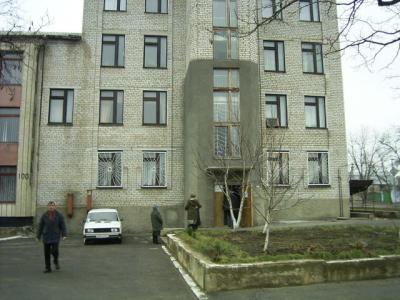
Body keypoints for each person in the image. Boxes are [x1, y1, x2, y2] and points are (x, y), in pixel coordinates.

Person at [36, 201, 67, 273]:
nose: (51, 207)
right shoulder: (44, 215)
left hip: (55, 236)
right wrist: (38, 236)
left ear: (55, 207)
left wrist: (64, 234)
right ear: (48, 207)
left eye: (52, 205)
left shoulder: (59, 215)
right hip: (46, 236)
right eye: (50, 205)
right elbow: (41, 226)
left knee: (55, 250)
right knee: (46, 253)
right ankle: (48, 268)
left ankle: (55, 261)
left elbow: (63, 225)